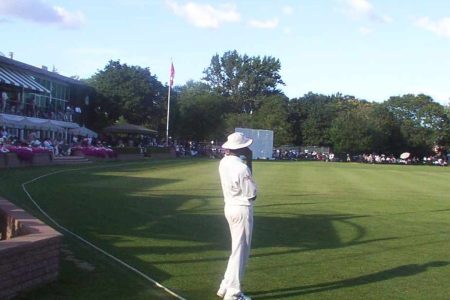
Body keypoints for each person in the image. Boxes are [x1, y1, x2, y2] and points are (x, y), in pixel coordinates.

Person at [217, 132, 257, 300]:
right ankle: (233, 294)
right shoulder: (241, 167)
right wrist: (249, 161)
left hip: (230, 206)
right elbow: (252, 194)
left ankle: (225, 285)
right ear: (241, 148)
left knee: (236, 250)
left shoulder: (223, 162)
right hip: (241, 208)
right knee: (241, 252)